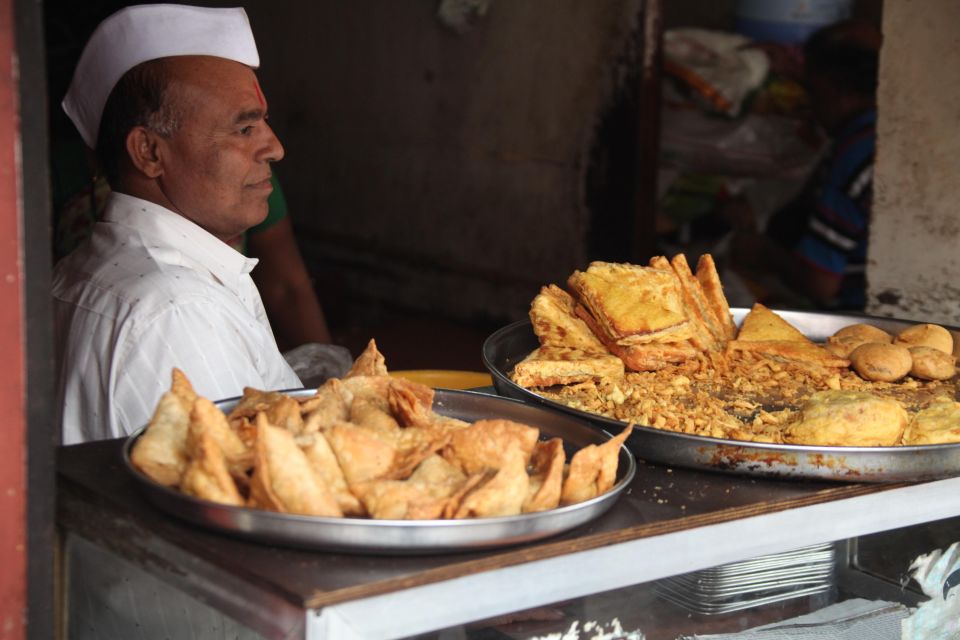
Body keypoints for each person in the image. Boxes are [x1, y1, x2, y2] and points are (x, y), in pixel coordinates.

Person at [53, 4, 304, 443]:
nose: (274, 148)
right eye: (243, 130)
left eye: (264, 124)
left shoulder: (76, 272)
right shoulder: (179, 312)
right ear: (149, 152)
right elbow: (245, 497)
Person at [730, 20, 881, 311]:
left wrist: (763, 253)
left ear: (829, 85)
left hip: (856, 316)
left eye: (809, 87)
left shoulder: (856, 153)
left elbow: (819, 283)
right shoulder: (879, 137)